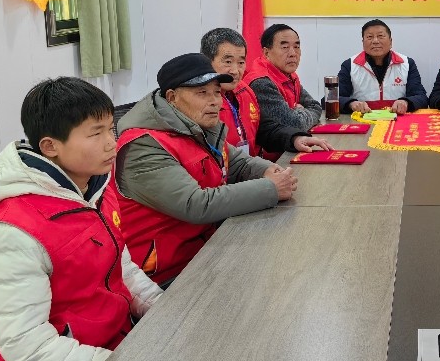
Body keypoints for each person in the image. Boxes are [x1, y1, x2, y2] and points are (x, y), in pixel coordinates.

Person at [0, 78, 162, 361]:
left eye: (110, 129)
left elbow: (123, 267)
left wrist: (163, 311)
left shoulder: (92, 191)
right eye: (95, 133)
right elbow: (28, 348)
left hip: (115, 341)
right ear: (50, 147)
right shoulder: (10, 235)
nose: (111, 143)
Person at [105, 53, 331, 285]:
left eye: (216, 92)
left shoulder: (196, 125)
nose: (215, 101)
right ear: (172, 97)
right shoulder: (143, 145)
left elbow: (238, 161)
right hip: (167, 275)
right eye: (202, 93)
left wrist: (270, 171)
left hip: (209, 248)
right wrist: (270, 189)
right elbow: (196, 204)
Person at [236, 24, 323, 160]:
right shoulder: (261, 82)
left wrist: (296, 113)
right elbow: (295, 124)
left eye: (296, 46)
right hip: (270, 160)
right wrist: (297, 112)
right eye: (285, 47)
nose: (293, 53)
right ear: (266, 53)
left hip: (290, 148)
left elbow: (316, 106)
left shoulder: (289, 74)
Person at [338, 19, 428, 114]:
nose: (375, 41)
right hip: (362, 119)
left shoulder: (406, 63)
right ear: (363, 42)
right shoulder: (350, 65)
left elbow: (422, 98)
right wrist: (351, 104)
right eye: (369, 37)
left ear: (390, 42)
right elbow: (333, 98)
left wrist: (406, 102)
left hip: (397, 119)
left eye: (380, 36)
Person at [200, 28, 256, 152]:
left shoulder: (245, 91)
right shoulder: (198, 102)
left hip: (250, 163)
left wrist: (293, 138)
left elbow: (264, 129)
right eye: (228, 62)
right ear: (207, 61)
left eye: (241, 62)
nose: (235, 71)